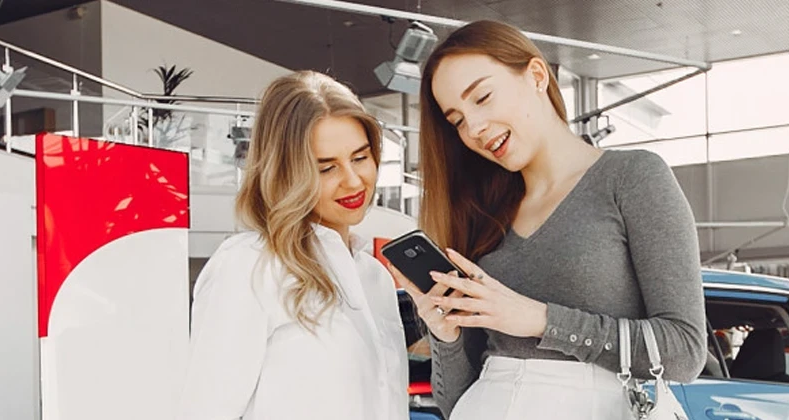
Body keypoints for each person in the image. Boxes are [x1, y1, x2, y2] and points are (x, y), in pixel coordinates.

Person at [404, 20, 709, 418]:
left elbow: (685, 351)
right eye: (457, 120)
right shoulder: (481, 214)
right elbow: (454, 402)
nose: (474, 128)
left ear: (536, 75)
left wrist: (541, 320)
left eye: (482, 97)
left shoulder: (632, 178)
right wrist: (446, 337)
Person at [179, 70, 412, 420]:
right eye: (326, 168)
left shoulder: (374, 277)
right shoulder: (250, 265)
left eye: (360, 158)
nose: (353, 181)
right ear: (286, 174)